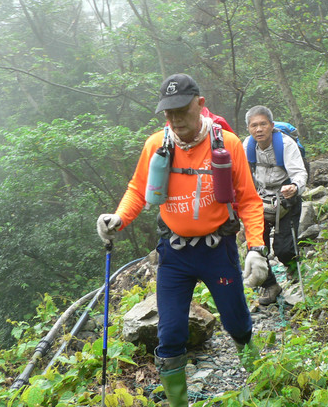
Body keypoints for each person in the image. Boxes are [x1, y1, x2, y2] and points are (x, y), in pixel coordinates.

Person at [96, 73, 269, 407]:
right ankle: (178, 403)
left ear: (200, 104)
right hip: (174, 254)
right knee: (170, 333)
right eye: (168, 112)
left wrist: (256, 248)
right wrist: (119, 218)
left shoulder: (227, 144)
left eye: (181, 109)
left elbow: (249, 200)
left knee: (237, 322)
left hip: (217, 250)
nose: (175, 118)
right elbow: (138, 189)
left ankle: (262, 383)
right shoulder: (156, 145)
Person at [242, 105, 308, 306]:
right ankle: (270, 285)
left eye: (263, 124)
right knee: (257, 248)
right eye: (254, 125)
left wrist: (295, 187)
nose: (259, 129)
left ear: (271, 125)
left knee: (284, 249)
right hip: (260, 200)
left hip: (287, 199)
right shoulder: (247, 145)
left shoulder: (286, 144)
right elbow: (241, 174)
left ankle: (295, 274)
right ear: (248, 128)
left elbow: (299, 172)